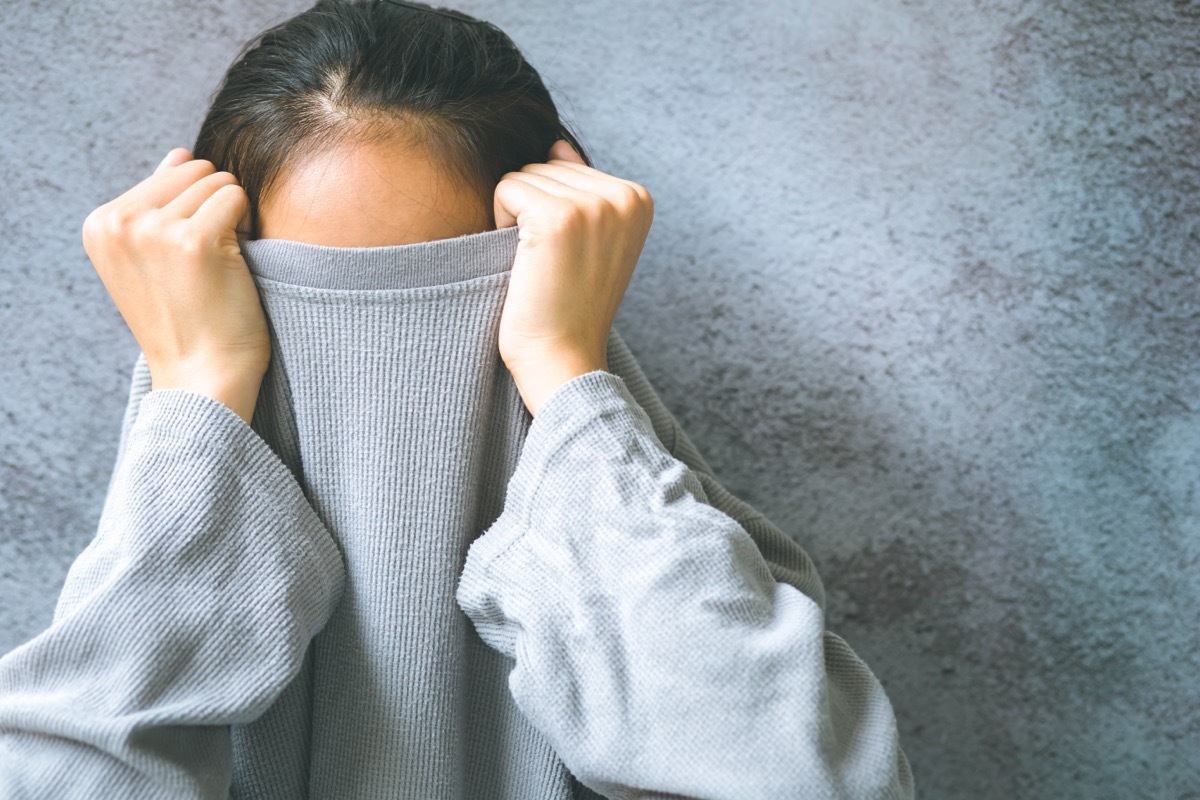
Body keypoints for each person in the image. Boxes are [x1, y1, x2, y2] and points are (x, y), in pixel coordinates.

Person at [0, 1, 916, 798]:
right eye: (305, 318)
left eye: (444, 311)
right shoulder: (187, 459)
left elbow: (805, 780)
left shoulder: (678, 557)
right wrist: (201, 403)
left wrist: (563, 372)